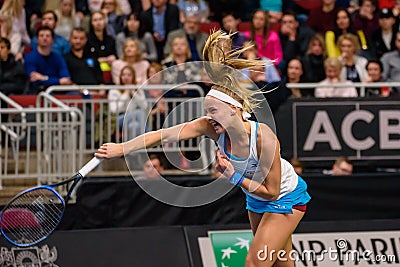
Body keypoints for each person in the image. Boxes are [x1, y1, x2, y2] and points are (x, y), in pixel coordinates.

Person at [95, 30, 311, 267]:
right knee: (281, 263)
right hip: (255, 198)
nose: (209, 117)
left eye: (214, 111)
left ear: (234, 110)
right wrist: (122, 148)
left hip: (284, 195)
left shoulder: (264, 139)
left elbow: (270, 192)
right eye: (207, 111)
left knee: (254, 263)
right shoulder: (209, 126)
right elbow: (161, 134)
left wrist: (233, 176)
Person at [24, 26, 72, 93]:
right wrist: (58, 81)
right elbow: (34, 80)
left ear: (53, 40)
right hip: (37, 92)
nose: (44, 38)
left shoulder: (58, 58)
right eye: (41, 36)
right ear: (37, 39)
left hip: (57, 91)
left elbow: (66, 80)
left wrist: (44, 78)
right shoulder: (30, 57)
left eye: (47, 36)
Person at [108, 65, 148, 139]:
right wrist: (125, 94)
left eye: (129, 75)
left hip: (135, 119)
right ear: (120, 77)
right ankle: (148, 138)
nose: (126, 77)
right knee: (139, 112)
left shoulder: (138, 90)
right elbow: (114, 110)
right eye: (123, 75)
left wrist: (133, 93)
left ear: (133, 77)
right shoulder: (114, 90)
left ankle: (134, 150)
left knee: (134, 126)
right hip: (118, 118)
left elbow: (144, 106)